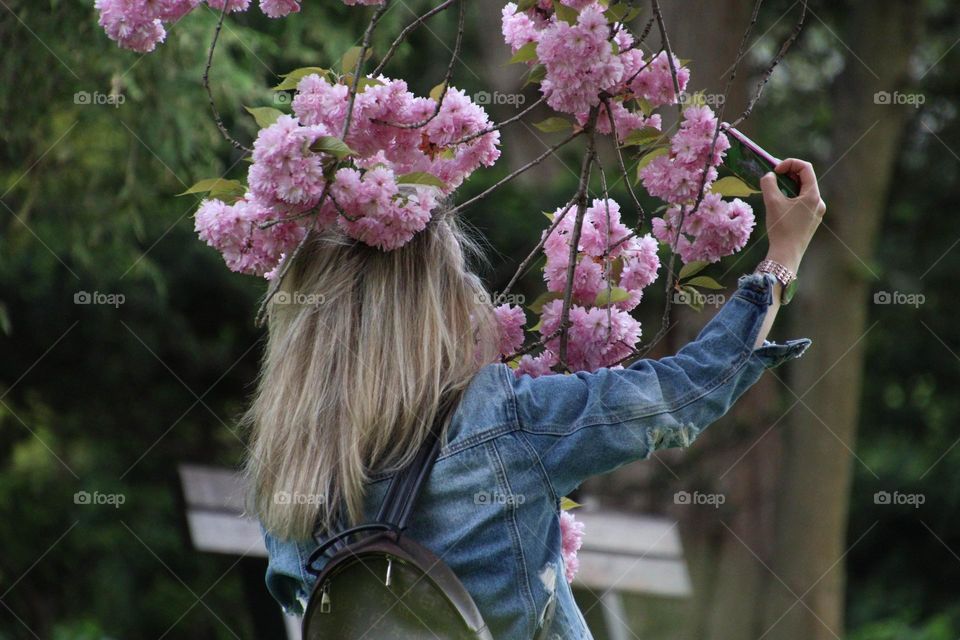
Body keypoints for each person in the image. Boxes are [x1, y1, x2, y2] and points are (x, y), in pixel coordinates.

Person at [244, 158, 827, 638]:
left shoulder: (287, 466)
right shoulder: (503, 417)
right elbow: (680, 395)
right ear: (427, 306)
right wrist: (780, 263)